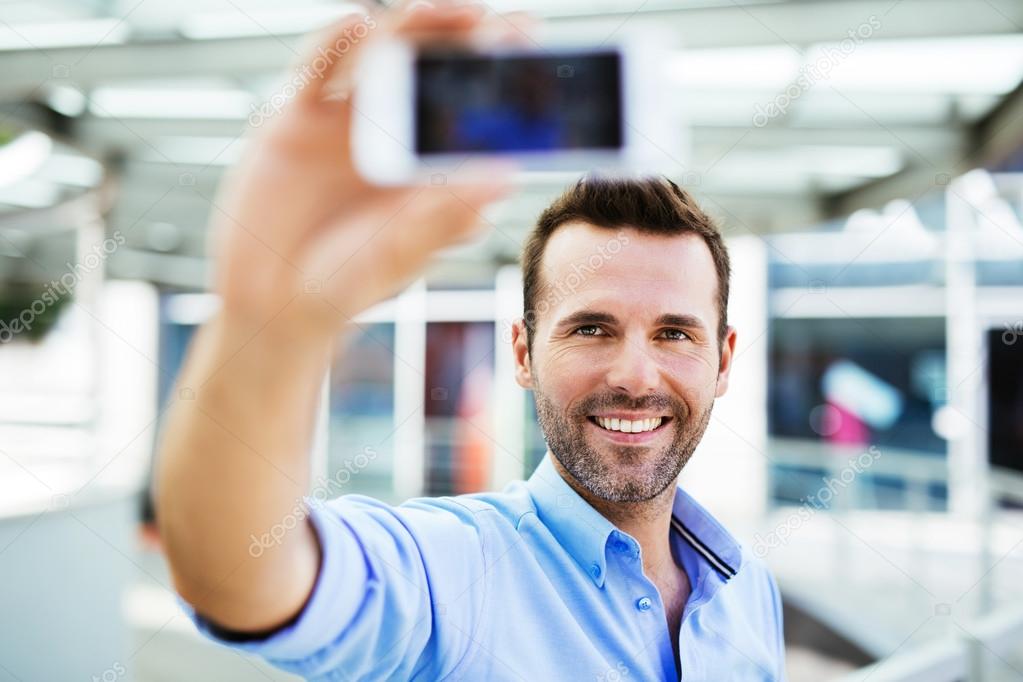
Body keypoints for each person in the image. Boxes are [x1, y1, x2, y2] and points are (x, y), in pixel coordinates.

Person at [154, 2, 786, 680]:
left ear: (722, 361)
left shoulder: (747, 590)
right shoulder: (448, 573)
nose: (635, 374)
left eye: (673, 333)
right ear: (522, 352)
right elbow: (241, 574)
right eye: (591, 328)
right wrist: (269, 323)